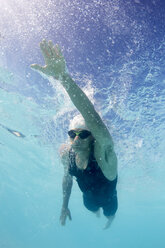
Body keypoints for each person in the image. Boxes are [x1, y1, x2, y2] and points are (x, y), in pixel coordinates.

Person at [31, 39, 118, 229]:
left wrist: (64, 78)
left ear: (93, 137)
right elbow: (67, 177)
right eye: (72, 134)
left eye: (84, 134)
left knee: (109, 213)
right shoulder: (66, 154)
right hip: (88, 201)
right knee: (92, 209)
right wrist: (64, 206)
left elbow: (93, 119)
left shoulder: (105, 155)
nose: (76, 139)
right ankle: (96, 214)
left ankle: (109, 221)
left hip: (110, 200)